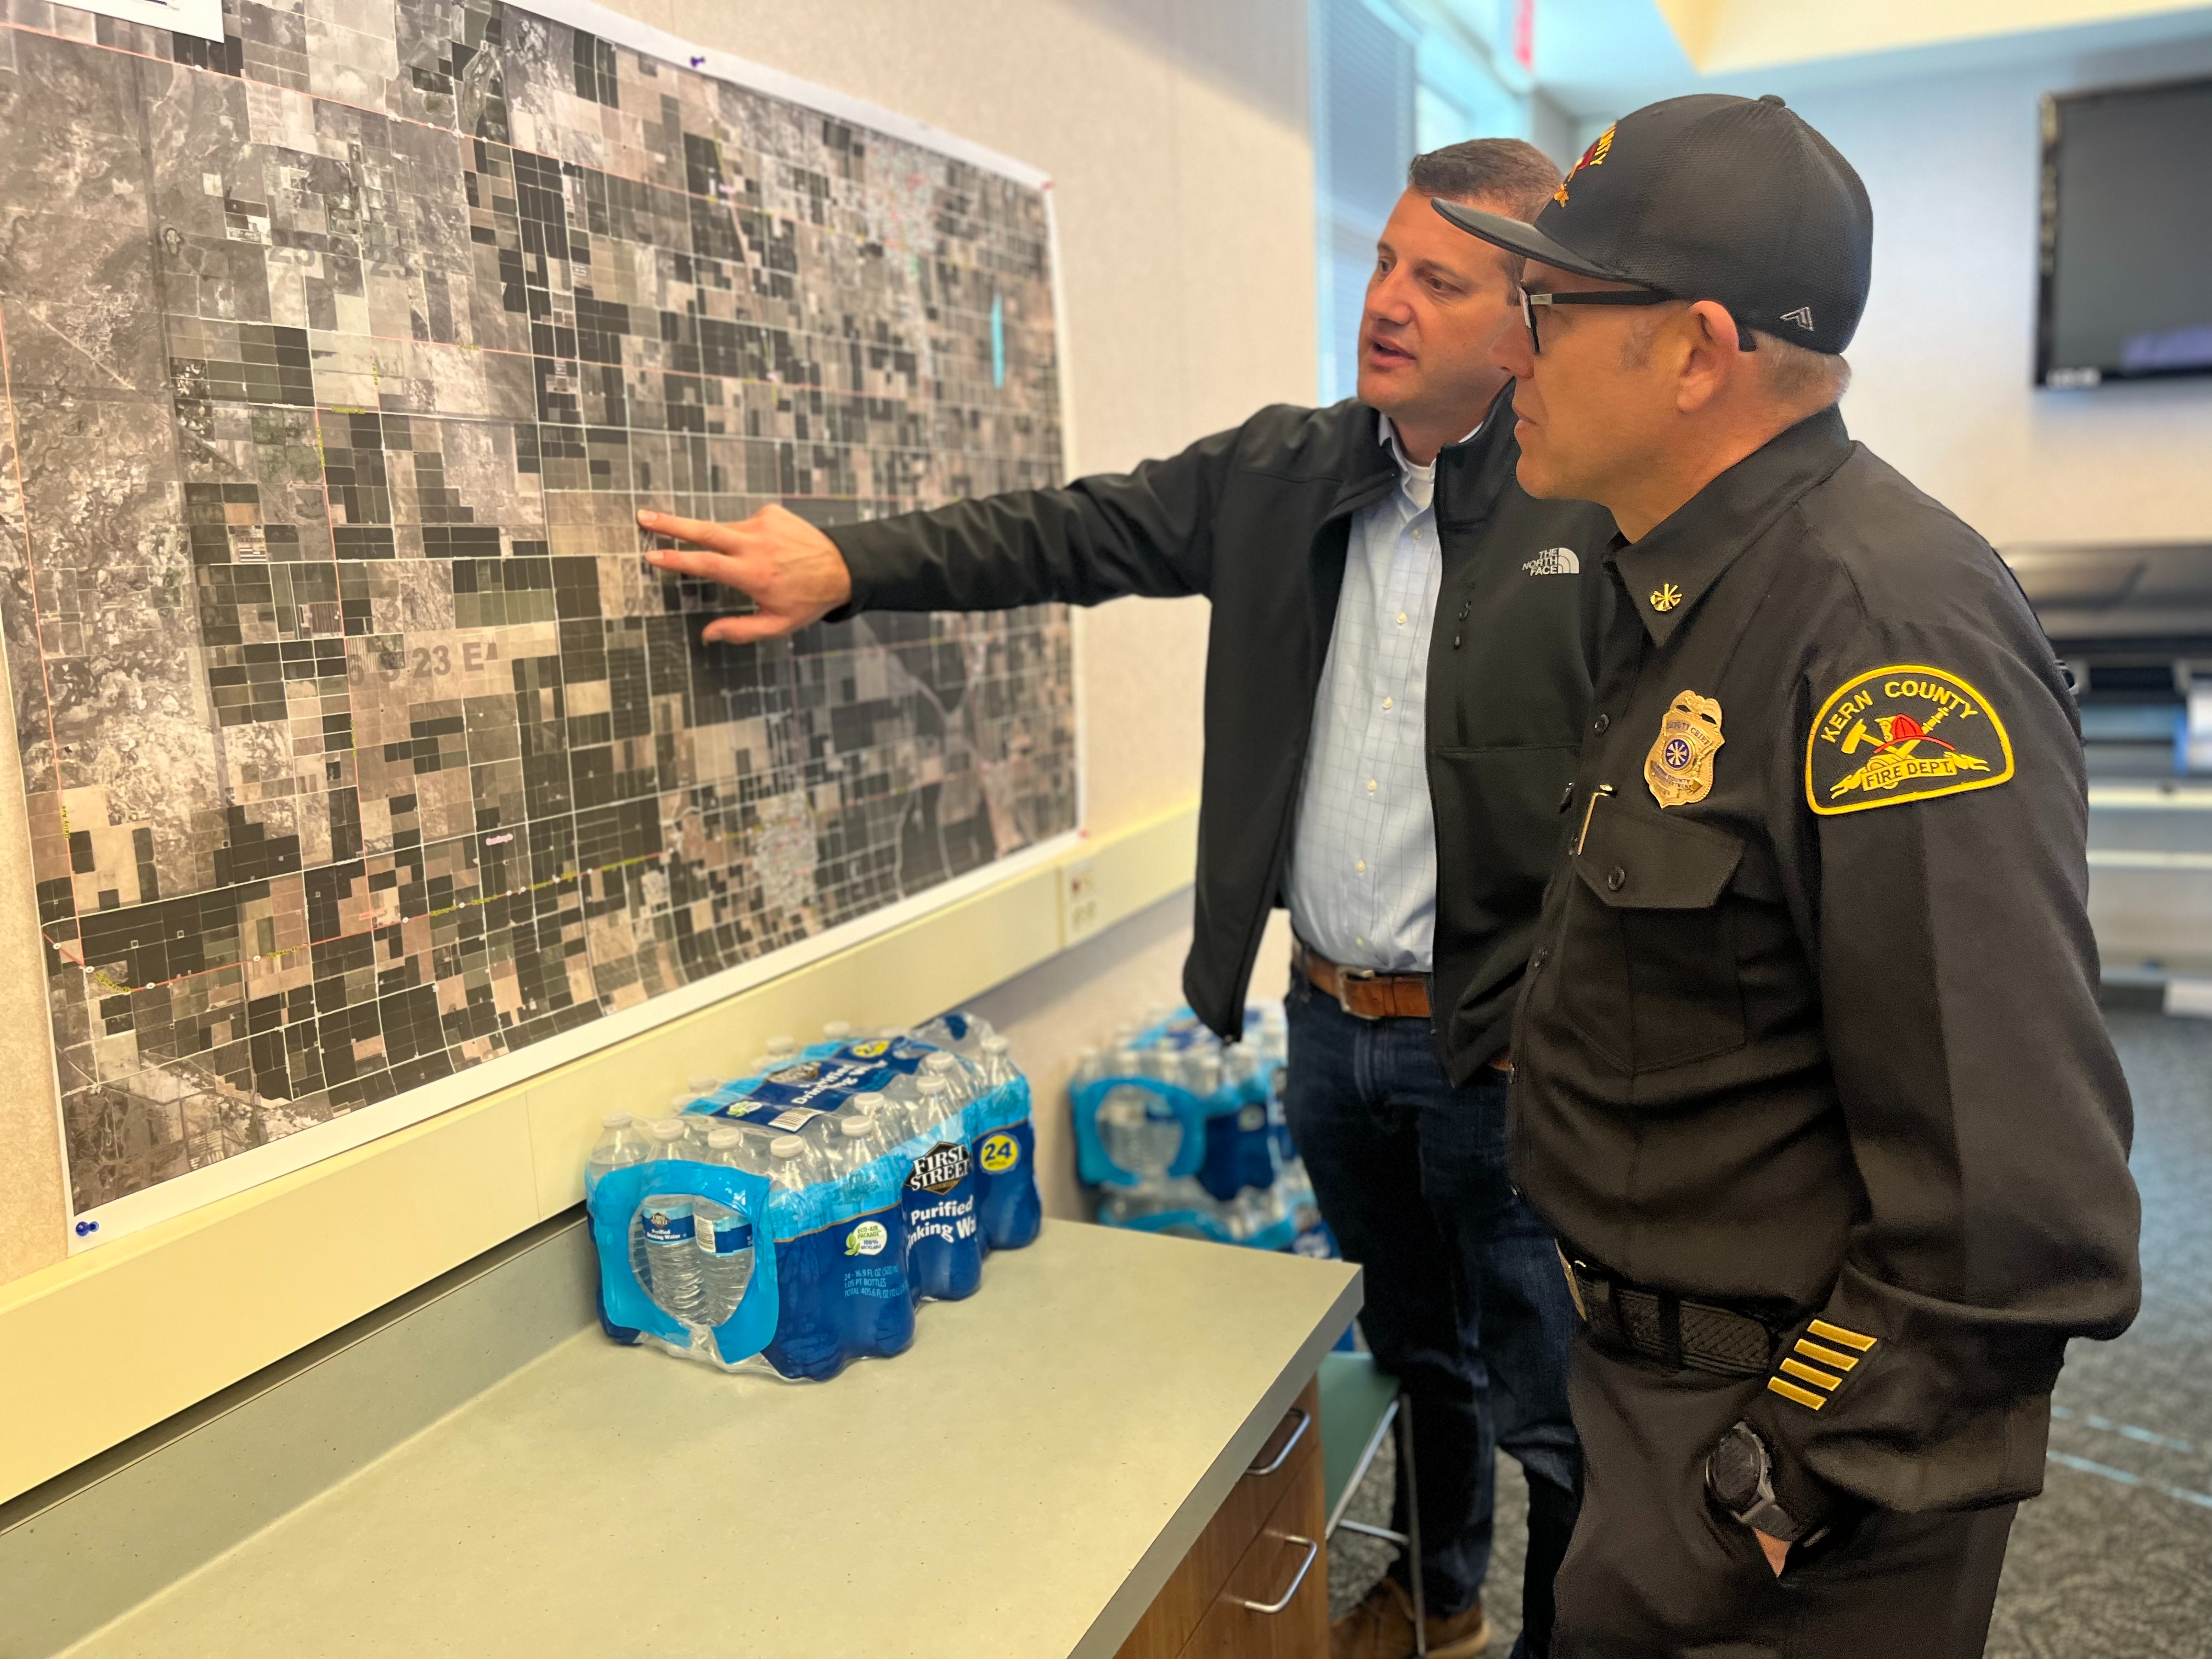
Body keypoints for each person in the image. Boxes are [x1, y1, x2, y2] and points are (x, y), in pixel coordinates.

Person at [638, 141, 1615, 1659]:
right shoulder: (1286, 473)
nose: (1391, 302)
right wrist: (849, 564)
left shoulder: (1590, 514)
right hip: (1334, 1029)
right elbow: (1064, 531)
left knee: (1557, 1405)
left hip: (1508, 1052)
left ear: (1527, 319)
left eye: (1444, 279)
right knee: (1416, 1350)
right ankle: (1439, 1603)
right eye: (1385, 261)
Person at [1435, 94, 2142, 1656]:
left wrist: (1772, 1495)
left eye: (1546, 310)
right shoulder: (1677, 580)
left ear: (1696, 351)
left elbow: (2023, 1206)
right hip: (1647, 1393)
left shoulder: (1885, 635)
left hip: (1792, 1477)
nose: (1511, 352)